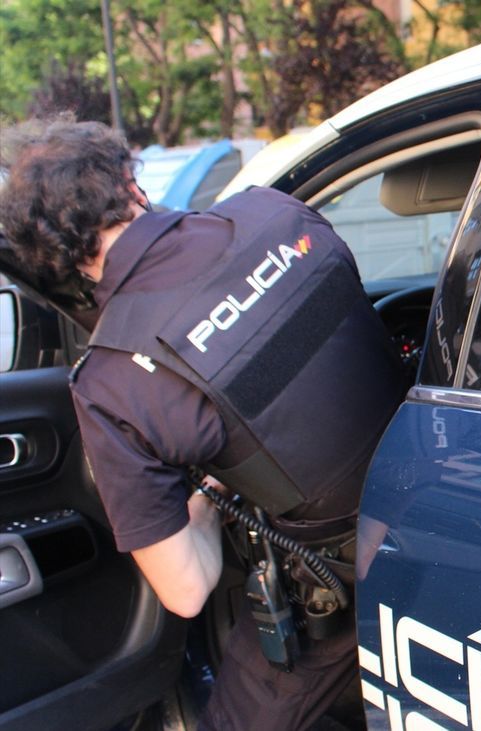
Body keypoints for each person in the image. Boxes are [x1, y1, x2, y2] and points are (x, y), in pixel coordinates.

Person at [0, 120, 406, 730]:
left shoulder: (112, 383)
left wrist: (208, 501)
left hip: (342, 572)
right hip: (436, 489)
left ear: (52, 257)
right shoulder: (275, 212)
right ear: (131, 182)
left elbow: (188, 590)